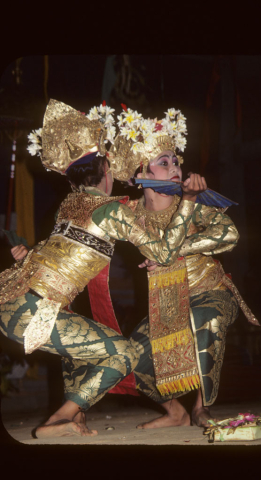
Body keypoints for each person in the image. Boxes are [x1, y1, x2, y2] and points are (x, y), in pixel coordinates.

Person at [0, 99, 206, 438]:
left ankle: (78, 416)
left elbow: (57, 254)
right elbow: (166, 250)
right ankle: (59, 418)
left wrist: (26, 257)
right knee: (125, 352)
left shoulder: (68, 204)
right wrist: (190, 202)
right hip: (34, 312)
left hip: (12, 303)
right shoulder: (112, 210)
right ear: (106, 171)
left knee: (85, 343)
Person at [104, 106, 260, 429]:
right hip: (168, 303)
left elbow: (230, 233)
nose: (175, 166)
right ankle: (176, 412)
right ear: (142, 175)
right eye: (164, 162)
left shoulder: (191, 202)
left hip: (211, 293)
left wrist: (176, 252)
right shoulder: (129, 213)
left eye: (176, 160)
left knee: (205, 317)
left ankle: (202, 407)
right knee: (129, 354)